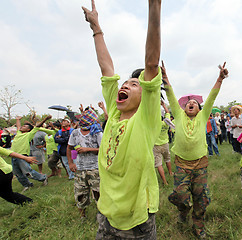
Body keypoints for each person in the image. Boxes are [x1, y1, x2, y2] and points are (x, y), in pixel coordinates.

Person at [82, 0, 162, 238]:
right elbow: (106, 67)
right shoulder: (114, 113)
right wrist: (96, 27)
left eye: (134, 84)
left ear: (145, 93)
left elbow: (151, 63)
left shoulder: (146, 119)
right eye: (125, 83)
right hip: (107, 212)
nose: (126, 85)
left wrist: (154, 6)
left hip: (138, 216)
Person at [165, 60, 228, 238]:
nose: (191, 104)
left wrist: (220, 78)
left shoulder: (202, 117)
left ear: (200, 108)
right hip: (181, 164)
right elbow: (170, 95)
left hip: (200, 164)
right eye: (188, 103)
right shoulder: (178, 116)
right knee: (181, 196)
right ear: (183, 108)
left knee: (201, 198)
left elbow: (212, 97)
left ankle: (198, 226)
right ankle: (183, 210)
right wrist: (165, 78)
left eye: (194, 103)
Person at [67, 106, 103, 218]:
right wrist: (71, 163)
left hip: (95, 168)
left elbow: (103, 150)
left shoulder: (97, 133)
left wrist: (88, 149)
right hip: (80, 168)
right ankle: (83, 216)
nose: (81, 119)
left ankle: (101, 214)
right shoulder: (75, 133)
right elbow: (70, 148)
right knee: (80, 193)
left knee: (98, 192)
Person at [10, 115, 51, 191]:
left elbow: (37, 126)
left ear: (28, 129)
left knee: (27, 172)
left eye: (24, 126)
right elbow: (18, 126)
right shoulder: (19, 133)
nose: (22, 126)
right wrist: (18, 119)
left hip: (22, 155)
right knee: (17, 173)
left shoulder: (29, 134)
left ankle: (43, 178)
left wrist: (45, 119)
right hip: (14, 155)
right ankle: (27, 185)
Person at [153, 101, 174, 185]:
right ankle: (170, 172)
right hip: (165, 144)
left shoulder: (153, 123)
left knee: (158, 164)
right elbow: (168, 112)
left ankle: (165, 182)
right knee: (167, 159)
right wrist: (163, 105)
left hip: (156, 145)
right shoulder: (166, 122)